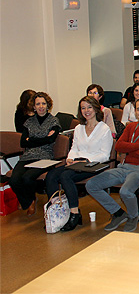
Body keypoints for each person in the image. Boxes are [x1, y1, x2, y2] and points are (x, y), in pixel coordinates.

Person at [86, 97, 139, 232]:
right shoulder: (131, 127)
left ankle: (133, 217)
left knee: (125, 191)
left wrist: (129, 149)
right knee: (91, 185)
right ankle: (118, 213)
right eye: (138, 109)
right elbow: (119, 146)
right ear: (134, 111)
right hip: (123, 167)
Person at [45, 96, 113, 231]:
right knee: (51, 175)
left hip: (93, 165)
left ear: (95, 108)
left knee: (65, 176)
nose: (86, 111)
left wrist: (86, 160)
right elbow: (74, 148)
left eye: (89, 107)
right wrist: (70, 158)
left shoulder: (104, 129)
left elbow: (104, 155)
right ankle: (59, 212)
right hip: (76, 163)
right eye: (83, 108)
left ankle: (74, 214)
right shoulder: (78, 128)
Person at [9, 92, 61, 216]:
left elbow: (50, 140)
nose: (41, 106)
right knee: (14, 179)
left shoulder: (53, 121)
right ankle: (28, 200)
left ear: (48, 105)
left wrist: (31, 140)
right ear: (34, 106)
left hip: (45, 156)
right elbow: (23, 142)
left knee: (27, 178)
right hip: (28, 156)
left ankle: (30, 202)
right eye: (38, 104)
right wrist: (42, 139)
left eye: (44, 103)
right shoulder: (29, 122)